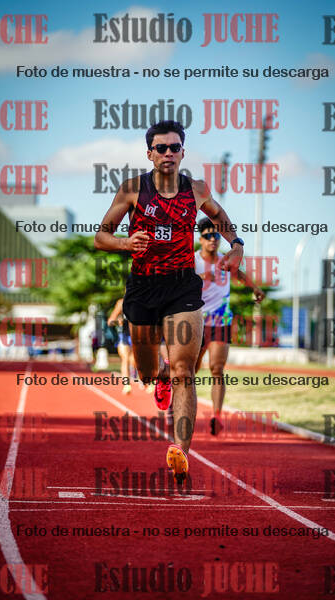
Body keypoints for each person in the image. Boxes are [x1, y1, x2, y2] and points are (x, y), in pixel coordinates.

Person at [94, 120, 244, 482]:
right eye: (161, 148)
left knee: (184, 370)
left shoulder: (196, 189)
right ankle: (157, 376)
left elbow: (219, 217)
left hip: (182, 288)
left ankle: (181, 451)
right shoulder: (133, 189)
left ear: (182, 152)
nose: (168, 153)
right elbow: (101, 236)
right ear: (150, 154)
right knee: (147, 371)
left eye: (174, 147)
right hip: (143, 288)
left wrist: (237, 245)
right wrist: (125, 243)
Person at [194, 218, 265, 435]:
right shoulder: (193, 259)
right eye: (208, 236)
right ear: (200, 239)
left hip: (220, 320)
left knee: (217, 368)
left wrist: (255, 288)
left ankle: (216, 416)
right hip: (195, 320)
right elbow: (179, 279)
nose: (213, 240)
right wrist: (202, 277)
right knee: (190, 370)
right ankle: (177, 404)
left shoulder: (226, 260)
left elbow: (238, 274)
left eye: (216, 236)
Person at [107, 298, 134, 394]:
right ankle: (127, 385)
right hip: (124, 335)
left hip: (137, 335)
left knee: (134, 360)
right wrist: (118, 322)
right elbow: (110, 321)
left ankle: (147, 381)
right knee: (125, 358)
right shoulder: (121, 303)